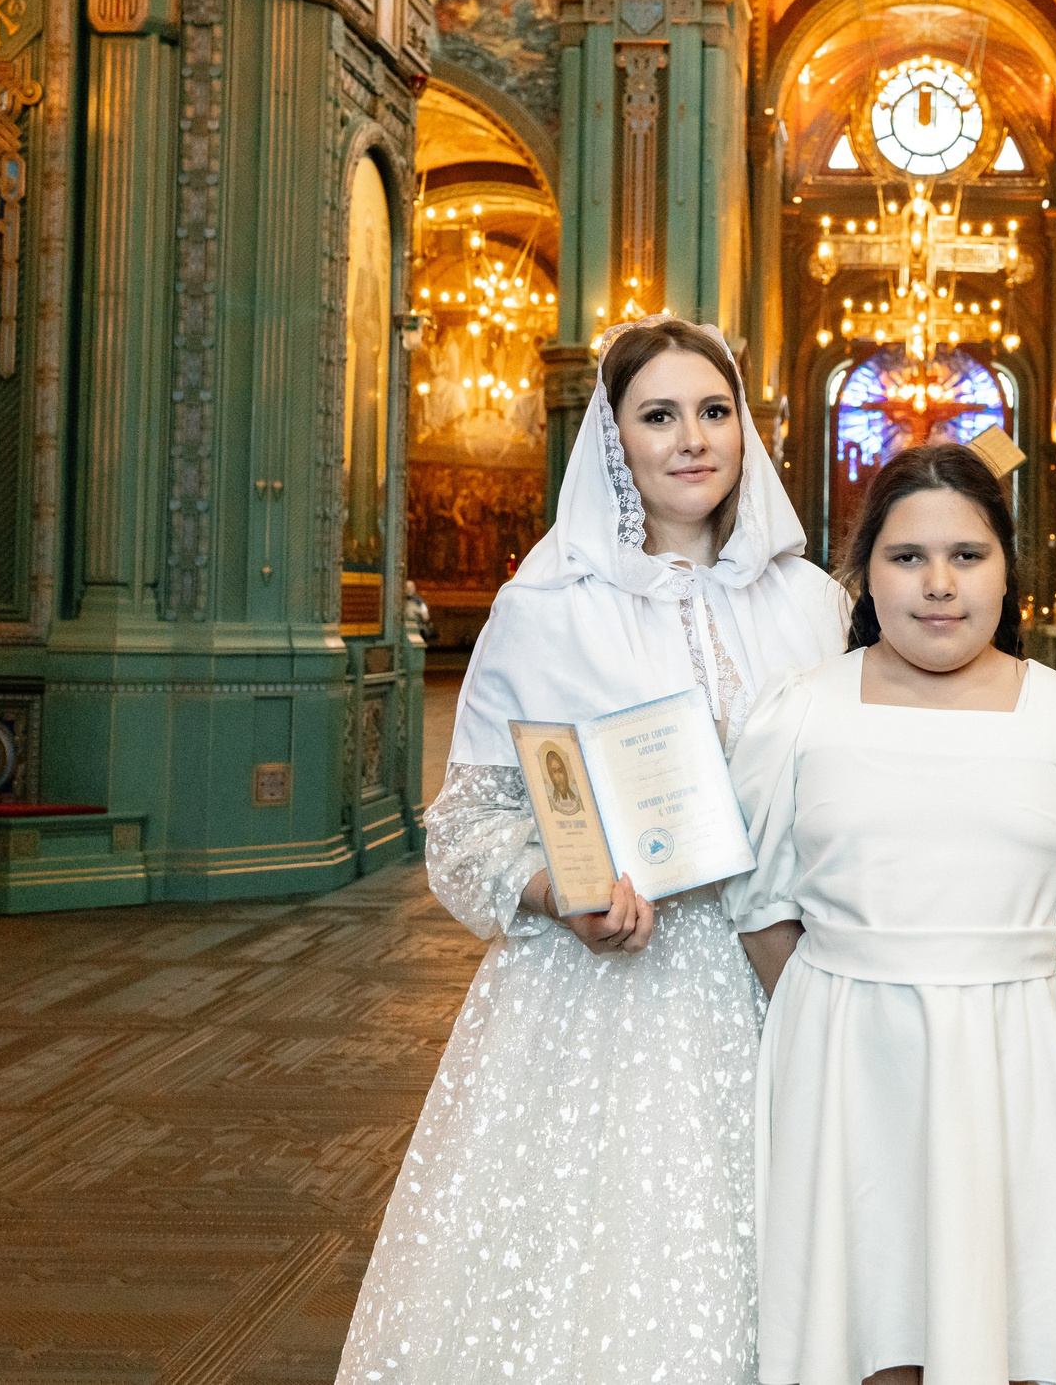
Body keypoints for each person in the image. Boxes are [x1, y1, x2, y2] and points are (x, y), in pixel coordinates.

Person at [336, 317, 849, 1385]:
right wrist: (558, 889)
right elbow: (465, 830)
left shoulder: (813, 603)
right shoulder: (544, 608)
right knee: (608, 1273)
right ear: (613, 439)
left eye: (714, 411)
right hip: (603, 989)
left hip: (787, 976)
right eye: (658, 415)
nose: (692, 438)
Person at [726, 443, 1056, 1385]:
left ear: (1008, 571)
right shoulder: (801, 714)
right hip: (846, 1064)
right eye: (907, 558)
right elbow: (763, 904)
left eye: (967, 557)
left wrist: (1020, 1019)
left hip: (1015, 1061)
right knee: (862, 1320)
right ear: (865, 575)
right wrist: (846, 1002)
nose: (939, 586)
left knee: (1011, 1324)